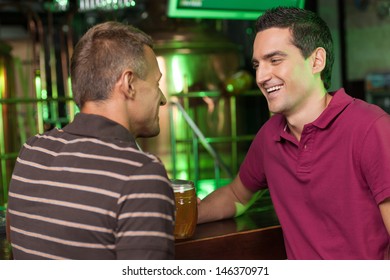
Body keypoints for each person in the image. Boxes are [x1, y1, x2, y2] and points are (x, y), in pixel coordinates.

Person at [198, 7, 390, 260]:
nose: (261, 76)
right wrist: (177, 216)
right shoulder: (269, 136)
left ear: (316, 61)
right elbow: (236, 194)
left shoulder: (370, 127)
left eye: (275, 60)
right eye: (257, 64)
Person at [6, 21, 175, 259]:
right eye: (156, 83)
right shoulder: (141, 174)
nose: (163, 99)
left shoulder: (31, 153)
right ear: (129, 84)